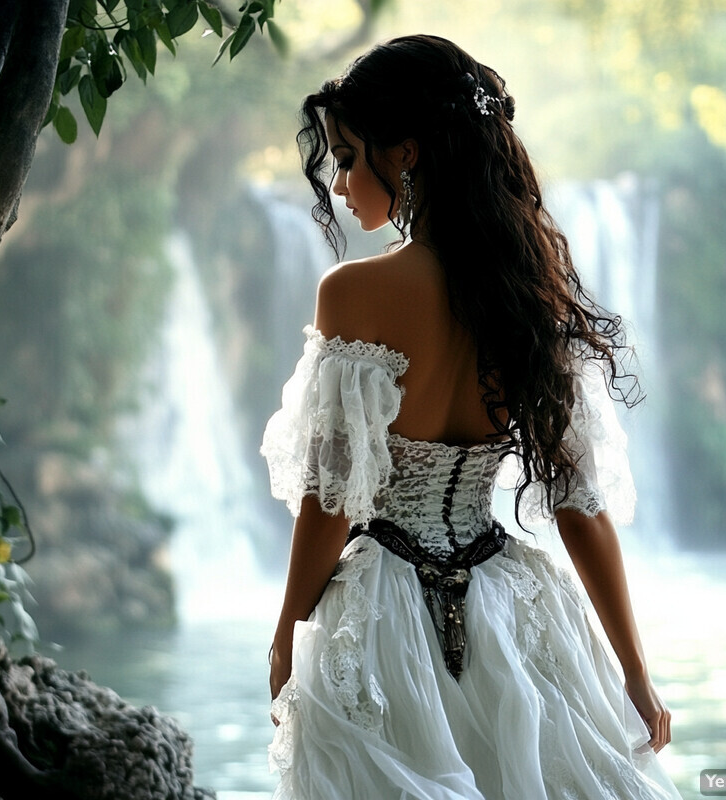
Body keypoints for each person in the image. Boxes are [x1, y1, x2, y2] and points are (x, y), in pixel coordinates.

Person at [261, 34, 683, 800]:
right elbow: (580, 510)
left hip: (383, 620)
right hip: (513, 613)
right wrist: (635, 674)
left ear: (409, 154)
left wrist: (287, 638)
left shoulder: (354, 293)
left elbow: (329, 504)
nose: (342, 182)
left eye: (352, 156)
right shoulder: (526, 294)